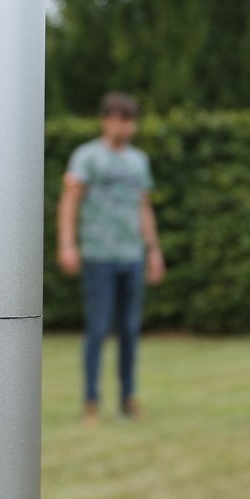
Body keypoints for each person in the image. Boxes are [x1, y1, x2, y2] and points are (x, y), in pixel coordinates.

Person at [57, 92, 166, 421]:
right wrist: (67, 244)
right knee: (98, 328)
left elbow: (144, 207)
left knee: (130, 329)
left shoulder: (138, 161)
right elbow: (70, 201)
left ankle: (128, 399)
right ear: (106, 120)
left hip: (131, 255)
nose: (126, 127)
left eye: (131, 121)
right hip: (98, 254)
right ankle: (91, 401)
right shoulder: (87, 157)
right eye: (120, 120)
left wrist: (153, 250)